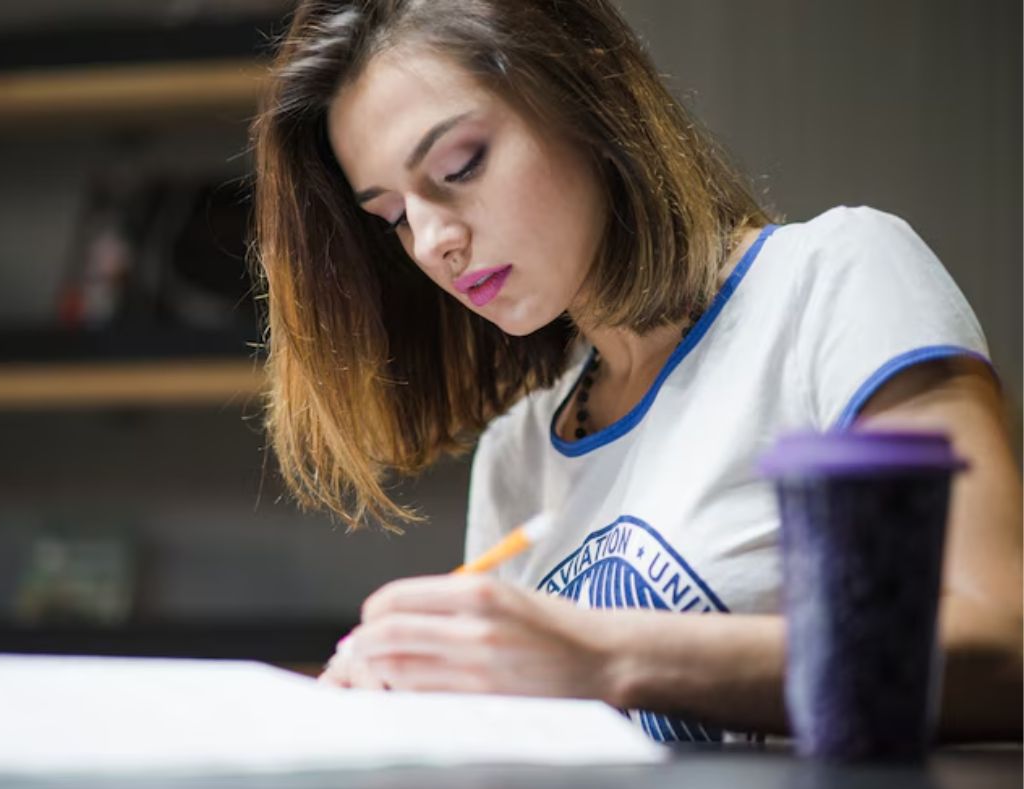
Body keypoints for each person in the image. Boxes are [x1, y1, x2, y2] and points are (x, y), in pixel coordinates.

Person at [248, 0, 1022, 742]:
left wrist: (607, 657)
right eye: (392, 218)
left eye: (460, 164)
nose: (430, 242)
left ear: (586, 95)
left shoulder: (837, 282)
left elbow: (1006, 650)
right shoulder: (519, 454)